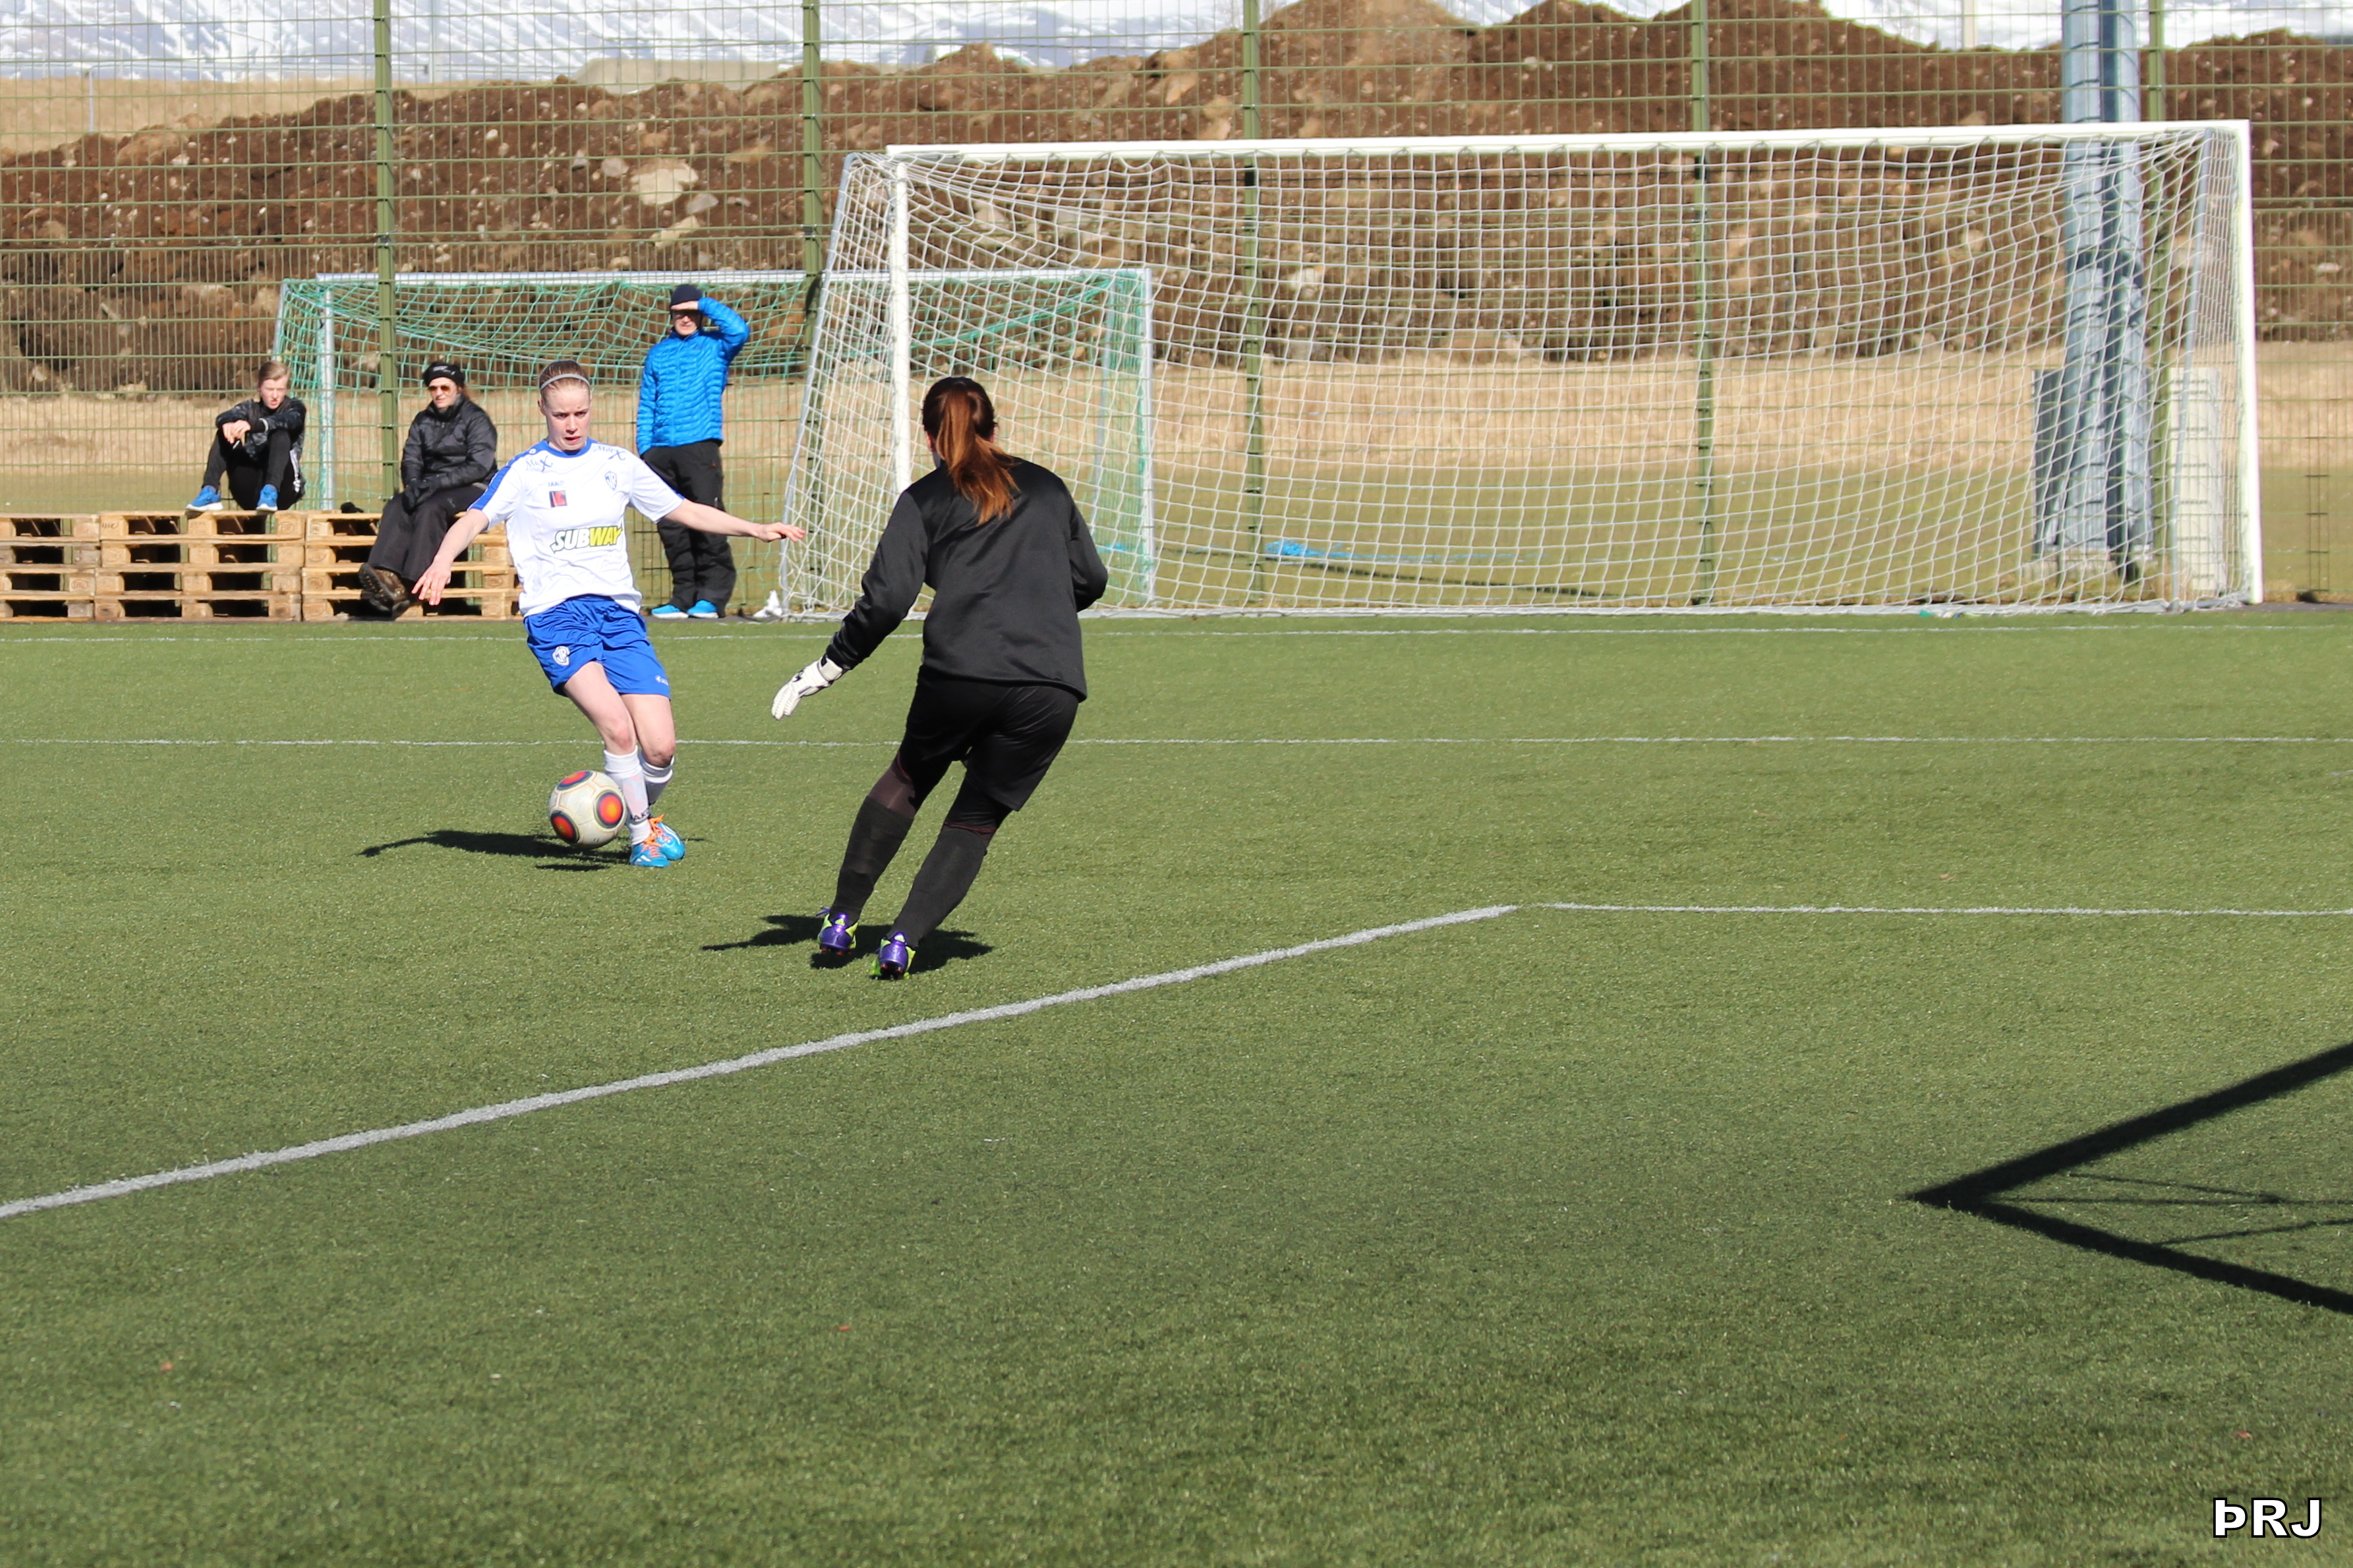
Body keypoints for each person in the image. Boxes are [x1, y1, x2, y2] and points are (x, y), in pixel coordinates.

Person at [771, 376, 1108, 978]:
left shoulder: (924, 498)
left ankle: (843, 919)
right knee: (976, 819)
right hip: (1052, 684)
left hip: (962, 671)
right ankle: (903, 938)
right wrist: (1037, 604)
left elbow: (885, 601)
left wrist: (828, 667)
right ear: (995, 429)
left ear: (929, 438)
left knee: (908, 777)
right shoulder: (1048, 487)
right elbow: (1091, 579)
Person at [413, 359, 800, 867]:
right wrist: (443, 559)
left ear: (591, 407)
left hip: (618, 616)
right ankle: (641, 838)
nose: (572, 424)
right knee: (617, 727)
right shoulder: (526, 471)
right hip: (557, 617)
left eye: (581, 413)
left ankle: (635, 814)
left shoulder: (618, 464)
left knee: (660, 747)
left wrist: (755, 528)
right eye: (561, 415)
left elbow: (683, 509)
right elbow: (474, 518)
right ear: (542, 410)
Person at [638, 283, 750, 621]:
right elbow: (647, 405)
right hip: (660, 453)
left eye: (691, 313)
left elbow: (739, 329)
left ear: (700, 314)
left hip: (700, 447)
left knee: (708, 521)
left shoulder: (717, 346)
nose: (685, 319)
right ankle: (682, 596)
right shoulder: (658, 354)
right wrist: (646, 450)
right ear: (670, 316)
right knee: (671, 527)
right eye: (679, 313)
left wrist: (703, 303)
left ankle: (712, 597)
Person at [357, 361, 498, 614]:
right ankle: (384, 573)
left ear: (459, 388)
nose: (439, 393)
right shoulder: (423, 420)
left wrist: (435, 484)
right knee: (399, 504)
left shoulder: (477, 419)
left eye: (445, 387)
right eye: (433, 388)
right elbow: (411, 458)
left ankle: (413, 582)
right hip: (432, 484)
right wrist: (413, 484)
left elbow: (479, 465)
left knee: (432, 508)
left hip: (474, 485)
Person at [189, 359, 306, 514]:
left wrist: (254, 425)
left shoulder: (295, 408)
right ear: (259, 387)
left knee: (280, 433)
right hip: (249, 489)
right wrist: (227, 424)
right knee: (225, 432)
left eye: (280, 390)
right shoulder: (250, 408)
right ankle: (210, 491)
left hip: (283, 491)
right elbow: (223, 417)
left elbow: (288, 420)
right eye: (270, 389)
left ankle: (270, 492)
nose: (275, 396)